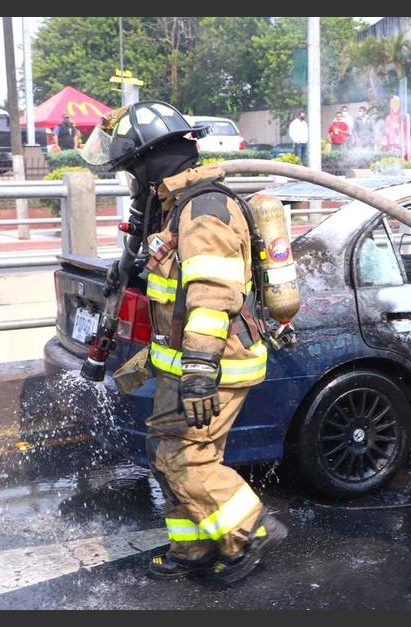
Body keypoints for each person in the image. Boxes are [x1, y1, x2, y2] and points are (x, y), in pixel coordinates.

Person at [80, 101, 289, 585]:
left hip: (213, 364)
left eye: (132, 169)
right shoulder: (176, 209)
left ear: (151, 162)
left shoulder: (204, 210)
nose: (132, 181)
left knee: (186, 457)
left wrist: (198, 371)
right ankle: (192, 547)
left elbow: (213, 295)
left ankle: (250, 530)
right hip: (180, 363)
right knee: (165, 451)